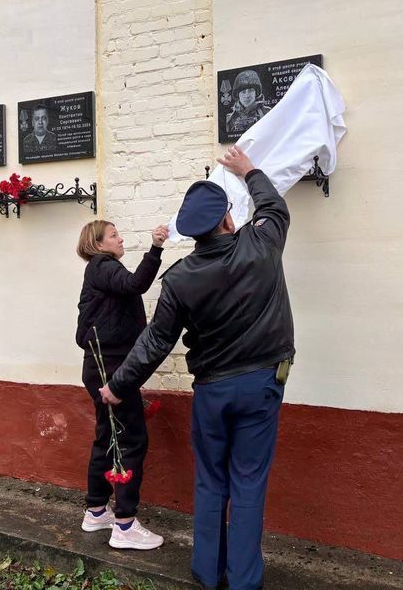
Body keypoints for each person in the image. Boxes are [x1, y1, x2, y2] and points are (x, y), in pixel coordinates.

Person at [99, 146, 294, 590]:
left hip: (211, 391)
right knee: (247, 484)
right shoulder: (261, 243)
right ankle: (243, 581)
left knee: (211, 483)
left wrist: (119, 384)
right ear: (227, 219)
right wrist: (248, 171)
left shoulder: (180, 276)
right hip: (262, 385)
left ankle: (208, 574)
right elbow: (273, 207)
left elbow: (156, 341)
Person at [75, 219, 169, 550]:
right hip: (110, 367)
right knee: (129, 440)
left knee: (108, 436)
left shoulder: (100, 270)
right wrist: (156, 248)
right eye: (113, 235)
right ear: (98, 244)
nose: (120, 238)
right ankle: (125, 525)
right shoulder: (103, 266)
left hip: (102, 365)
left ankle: (97, 510)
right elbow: (135, 285)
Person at [225, 70, 269, 137]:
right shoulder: (230, 119)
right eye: (243, 92)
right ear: (238, 95)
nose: (247, 95)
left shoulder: (267, 113)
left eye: (251, 91)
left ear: (256, 93)